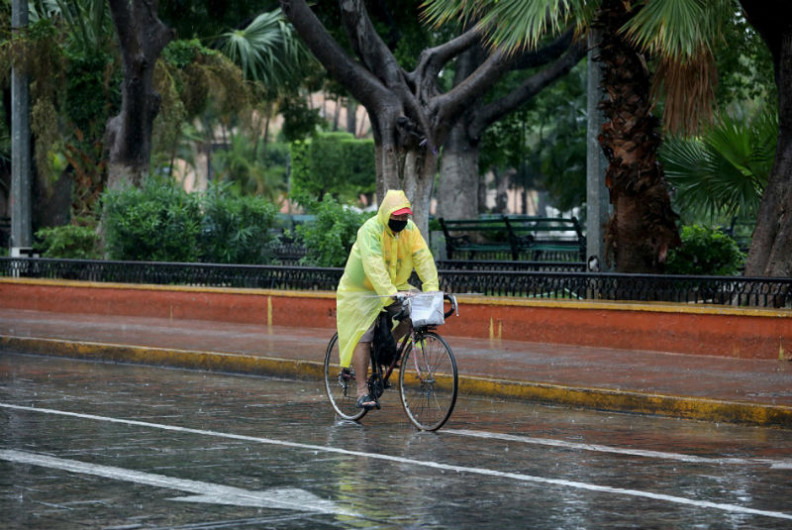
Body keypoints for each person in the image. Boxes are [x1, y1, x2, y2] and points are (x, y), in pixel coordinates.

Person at [335, 189, 439, 410]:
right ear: (386, 214)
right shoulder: (370, 230)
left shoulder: (410, 231)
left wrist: (431, 291)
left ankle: (385, 347)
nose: (401, 220)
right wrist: (391, 292)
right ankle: (362, 391)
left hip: (395, 287)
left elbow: (423, 260)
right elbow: (373, 266)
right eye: (397, 216)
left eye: (405, 216)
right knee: (364, 332)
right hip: (360, 291)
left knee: (417, 313)